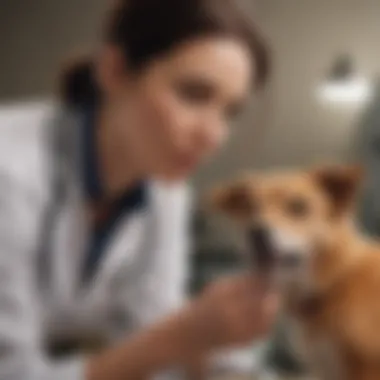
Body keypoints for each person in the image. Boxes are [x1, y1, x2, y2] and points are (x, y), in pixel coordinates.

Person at [0, 0, 277, 379]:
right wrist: (182, 337)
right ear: (114, 71)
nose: (213, 136)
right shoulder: (10, 170)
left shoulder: (164, 186)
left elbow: (151, 325)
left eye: (230, 112)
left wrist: (220, 356)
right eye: (193, 94)